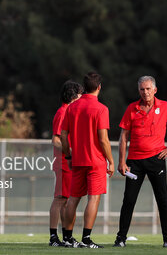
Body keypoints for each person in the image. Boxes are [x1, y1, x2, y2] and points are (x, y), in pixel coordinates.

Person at [113, 76, 167, 248]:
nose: (145, 92)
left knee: (162, 200)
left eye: (148, 89)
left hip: (156, 159)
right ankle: (121, 238)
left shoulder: (165, 107)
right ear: (139, 91)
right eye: (142, 89)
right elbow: (123, 136)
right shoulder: (132, 108)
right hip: (134, 162)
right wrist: (121, 161)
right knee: (128, 200)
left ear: (155, 90)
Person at [61, 71, 115, 248]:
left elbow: (63, 135)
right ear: (99, 87)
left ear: (84, 88)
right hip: (96, 161)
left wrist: (68, 155)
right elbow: (103, 139)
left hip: (77, 159)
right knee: (93, 199)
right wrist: (111, 160)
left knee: (73, 198)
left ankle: (68, 238)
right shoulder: (101, 109)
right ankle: (86, 239)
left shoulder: (72, 107)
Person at [48, 80, 84, 246]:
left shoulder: (70, 112)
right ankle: (54, 237)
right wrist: (69, 152)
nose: (82, 97)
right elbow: (55, 139)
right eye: (80, 94)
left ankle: (67, 237)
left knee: (66, 201)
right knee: (60, 200)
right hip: (64, 162)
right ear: (73, 95)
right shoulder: (63, 112)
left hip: (70, 163)